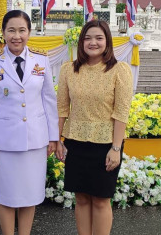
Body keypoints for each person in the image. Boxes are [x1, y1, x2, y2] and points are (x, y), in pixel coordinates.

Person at [0, 10, 61, 235]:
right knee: (6, 196)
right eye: (11, 30)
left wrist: (53, 137)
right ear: (3, 33)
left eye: (22, 30)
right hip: (4, 142)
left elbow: (49, 101)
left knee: (30, 195)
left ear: (29, 32)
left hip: (35, 140)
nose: (17, 36)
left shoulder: (41, 60)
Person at [57, 20, 133, 235]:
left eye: (99, 38)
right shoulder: (69, 70)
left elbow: (121, 112)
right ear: (81, 42)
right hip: (76, 143)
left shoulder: (120, 70)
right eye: (88, 38)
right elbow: (62, 108)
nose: (93, 42)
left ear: (107, 41)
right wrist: (59, 141)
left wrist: (116, 148)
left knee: (101, 200)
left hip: (106, 144)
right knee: (81, 198)